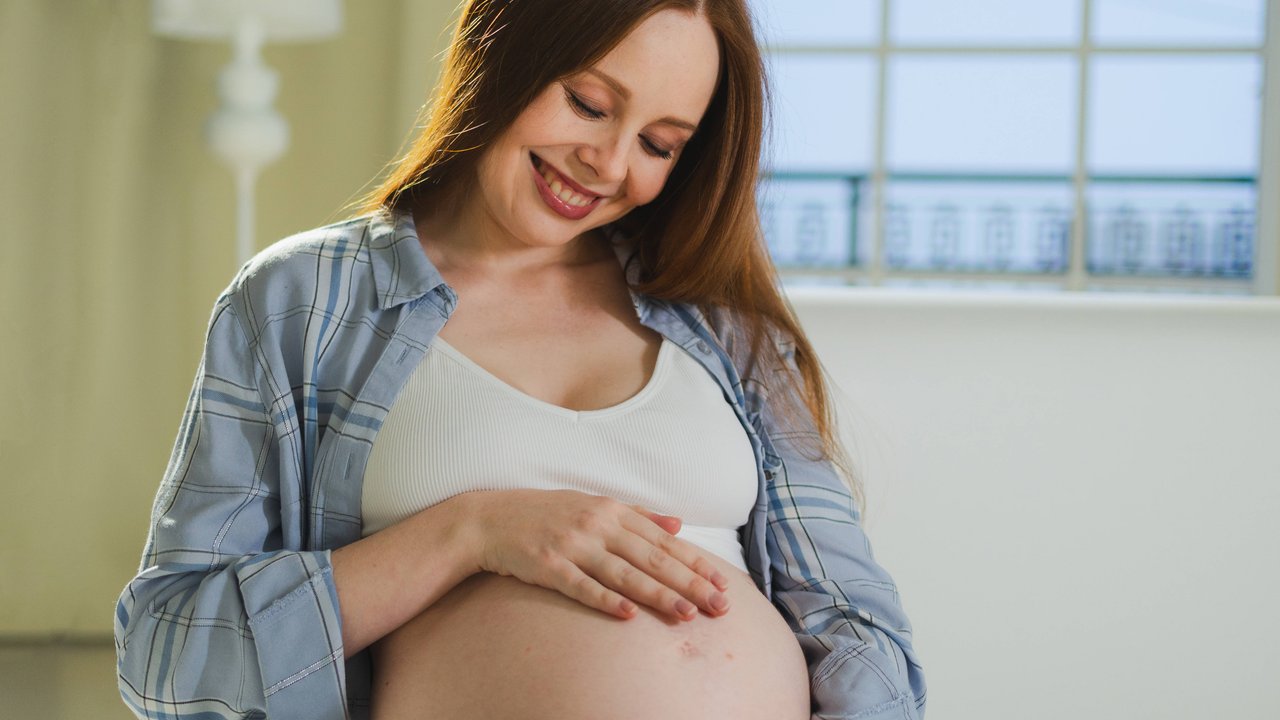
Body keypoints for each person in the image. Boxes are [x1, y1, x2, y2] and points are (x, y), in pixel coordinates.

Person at [114, 1, 926, 718]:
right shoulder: (306, 300)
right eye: (589, 103)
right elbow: (168, 654)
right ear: (505, 49)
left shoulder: (726, 330)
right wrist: (469, 531)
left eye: (659, 143)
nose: (609, 165)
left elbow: (854, 627)